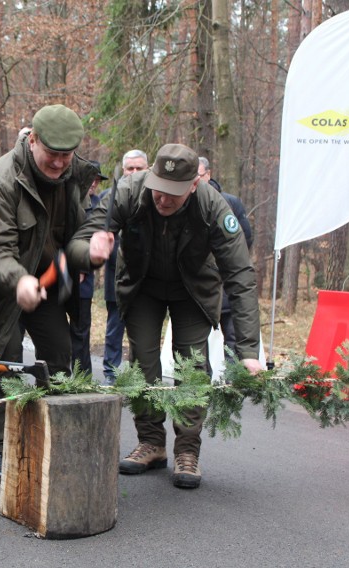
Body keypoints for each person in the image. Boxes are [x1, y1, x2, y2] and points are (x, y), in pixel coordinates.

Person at [71, 143, 263, 489]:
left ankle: (187, 451)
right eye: (159, 189)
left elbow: (241, 275)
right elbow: (90, 230)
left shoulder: (213, 206)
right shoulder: (130, 191)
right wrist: (90, 248)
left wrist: (249, 351)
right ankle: (151, 443)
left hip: (192, 291)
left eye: (173, 194)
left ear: (194, 185)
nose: (163, 199)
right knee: (143, 361)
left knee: (192, 366)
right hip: (143, 286)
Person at [0, 104, 99, 483]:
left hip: (42, 281)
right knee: (5, 362)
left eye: (67, 156)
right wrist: (18, 281)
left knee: (59, 353)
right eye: (52, 155)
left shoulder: (73, 173)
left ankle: (53, 430)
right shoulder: (0, 180)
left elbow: (76, 235)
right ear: (32, 140)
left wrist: (90, 251)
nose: (59, 164)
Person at [102, 149, 149, 384]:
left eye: (139, 168)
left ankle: (139, 373)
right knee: (115, 326)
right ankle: (111, 372)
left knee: (143, 328)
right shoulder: (109, 196)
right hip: (115, 275)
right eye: (130, 168)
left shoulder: (155, 197)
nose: (134, 172)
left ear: (147, 170)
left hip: (145, 277)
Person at [199, 156, 253, 357]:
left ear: (208, 175)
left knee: (232, 338)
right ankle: (201, 385)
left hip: (226, 282)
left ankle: (233, 383)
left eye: (198, 175)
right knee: (197, 344)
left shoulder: (230, 202)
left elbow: (245, 239)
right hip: (200, 286)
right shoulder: (183, 203)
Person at [69, 160, 106, 376]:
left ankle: (83, 378)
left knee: (81, 330)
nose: (93, 184)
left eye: (97, 180)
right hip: (63, 273)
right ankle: (57, 378)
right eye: (90, 179)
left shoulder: (101, 206)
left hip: (85, 279)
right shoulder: (71, 201)